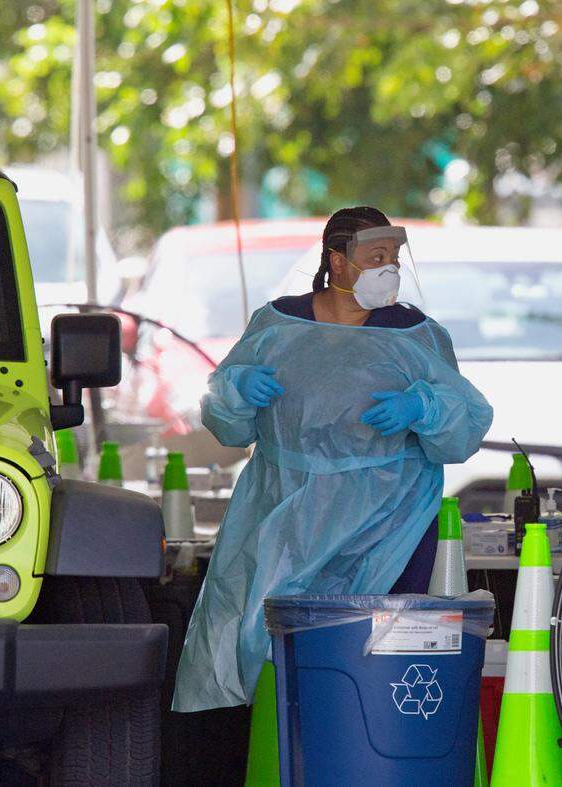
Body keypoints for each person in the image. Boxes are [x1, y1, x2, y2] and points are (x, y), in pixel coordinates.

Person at [173, 206, 493, 712]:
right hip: (282, 513)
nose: (389, 268)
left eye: (394, 257)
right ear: (337, 261)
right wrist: (236, 390)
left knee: (370, 658)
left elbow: (462, 431)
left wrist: (425, 406)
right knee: (269, 645)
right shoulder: (277, 324)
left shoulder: (414, 334)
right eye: (375, 256)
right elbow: (228, 427)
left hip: (390, 524)